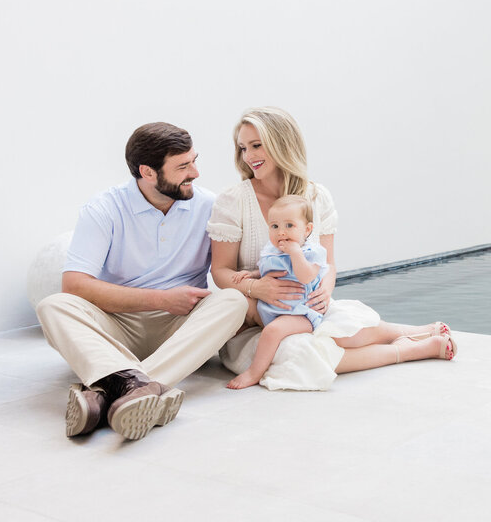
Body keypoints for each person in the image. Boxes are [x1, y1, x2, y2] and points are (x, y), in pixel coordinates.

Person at [208, 107, 454, 384]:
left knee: (348, 326)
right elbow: (220, 271)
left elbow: (329, 265)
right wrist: (256, 287)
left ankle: (410, 331)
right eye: (243, 148)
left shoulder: (316, 196)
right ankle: (407, 350)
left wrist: (324, 291)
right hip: (257, 321)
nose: (249, 156)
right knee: (301, 356)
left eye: (257, 145)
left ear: (282, 143)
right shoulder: (232, 200)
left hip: (306, 307)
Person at [36, 123, 248, 440]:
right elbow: (76, 285)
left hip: (180, 326)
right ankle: (141, 387)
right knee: (53, 305)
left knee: (233, 301)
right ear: (147, 173)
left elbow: (228, 269)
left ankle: (111, 391)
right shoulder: (104, 209)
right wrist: (160, 300)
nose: (196, 173)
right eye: (183, 166)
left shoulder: (210, 206)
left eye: (194, 160)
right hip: (117, 325)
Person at [226, 195, 328, 389]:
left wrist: (295, 253)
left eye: (289, 226)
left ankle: (254, 372)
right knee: (236, 305)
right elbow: (269, 271)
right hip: (269, 308)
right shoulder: (272, 250)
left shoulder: (311, 252)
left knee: (272, 331)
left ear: (307, 229)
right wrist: (252, 274)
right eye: (275, 227)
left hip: (299, 312)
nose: (281, 232)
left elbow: (307, 276)